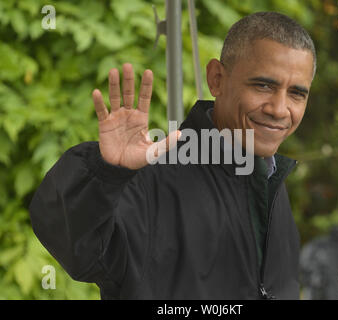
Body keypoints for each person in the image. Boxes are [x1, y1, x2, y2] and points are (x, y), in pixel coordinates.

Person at [29, 11, 316, 299]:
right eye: (263, 85)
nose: (279, 109)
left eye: (296, 94)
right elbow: (77, 248)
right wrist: (105, 172)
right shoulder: (149, 178)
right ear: (216, 78)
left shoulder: (270, 179)